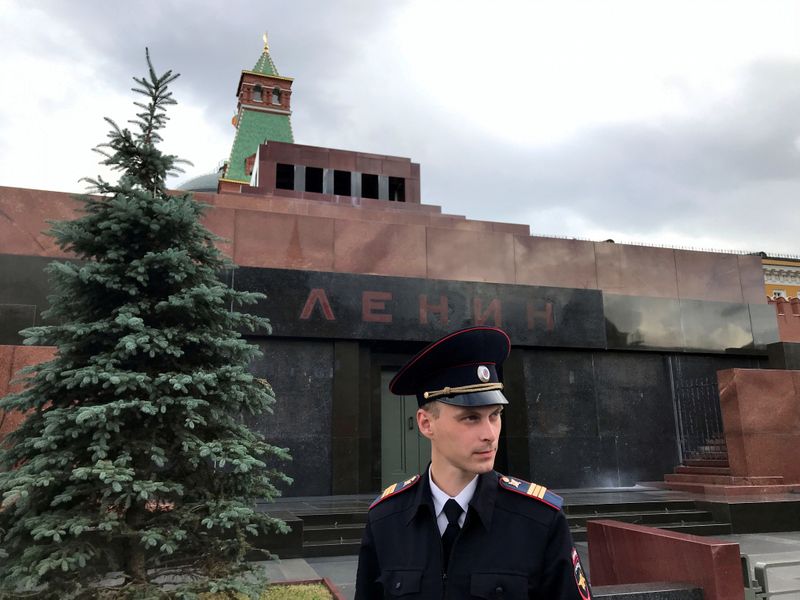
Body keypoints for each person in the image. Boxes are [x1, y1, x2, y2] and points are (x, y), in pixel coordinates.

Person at [355, 326, 592, 599]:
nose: (489, 434)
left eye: (495, 415)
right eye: (470, 418)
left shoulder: (539, 520)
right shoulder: (386, 520)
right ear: (425, 423)